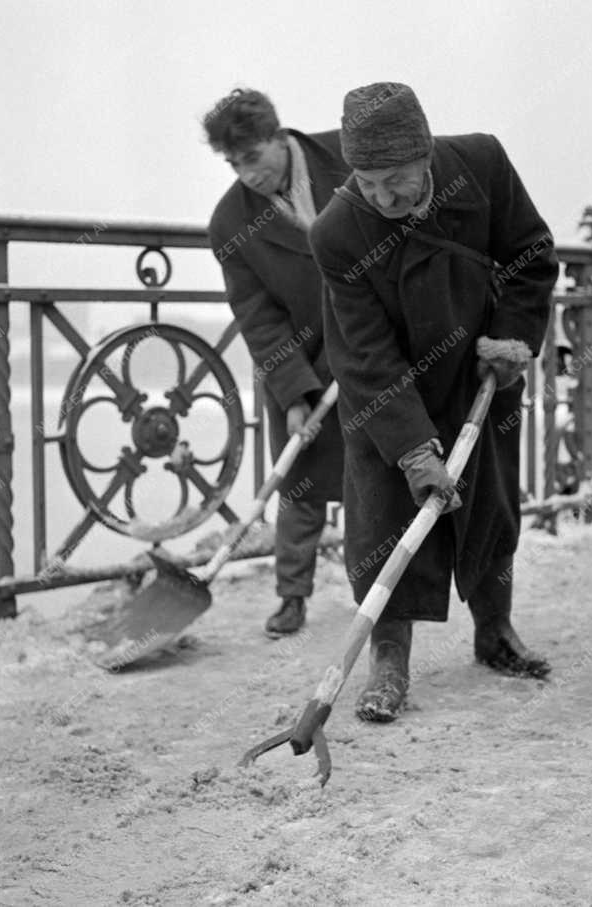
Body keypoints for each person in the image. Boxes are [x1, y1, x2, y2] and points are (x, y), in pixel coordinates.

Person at [308, 82, 559, 722]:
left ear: (427, 157)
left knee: (491, 507)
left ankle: (495, 631)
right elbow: (364, 352)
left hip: (481, 373)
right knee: (385, 520)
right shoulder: (338, 232)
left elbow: (531, 256)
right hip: (390, 398)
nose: (384, 196)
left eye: (397, 179)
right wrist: (413, 449)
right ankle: (388, 659)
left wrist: (512, 339)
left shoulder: (482, 166)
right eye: (368, 182)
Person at [204, 89, 348, 637]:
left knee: (375, 473)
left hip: (374, 346)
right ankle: (292, 596)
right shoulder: (229, 224)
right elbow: (258, 316)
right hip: (300, 357)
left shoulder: (348, 159)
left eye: (253, 157)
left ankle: (383, 591)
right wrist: (296, 393)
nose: (247, 174)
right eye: (234, 164)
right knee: (301, 480)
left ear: (279, 138)